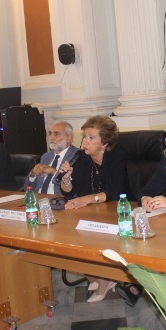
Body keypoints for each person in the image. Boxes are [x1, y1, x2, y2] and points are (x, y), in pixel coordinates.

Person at [59, 115, 130, 303]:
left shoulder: (117, 157)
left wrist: (89, 199)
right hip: (96, 211)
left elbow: (117, 192)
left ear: (105, 142)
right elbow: (72, 192)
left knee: (96, 234)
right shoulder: (82, 158)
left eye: (91, 138)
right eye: (85, 137)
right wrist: (66, 179)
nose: (85, 142)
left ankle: (106, 280)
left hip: (120, 211)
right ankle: (95, 276)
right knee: (74, 231)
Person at [26, 121, 79, 194]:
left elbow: (75, 188)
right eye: (50, 134)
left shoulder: (77, 156)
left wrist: (53, 171)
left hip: (59, 201)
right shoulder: (45, 156)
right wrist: (33, 174)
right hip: (38, 199)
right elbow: (27, 188)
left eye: (56, 134)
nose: (51, 138)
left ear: (69, 138)